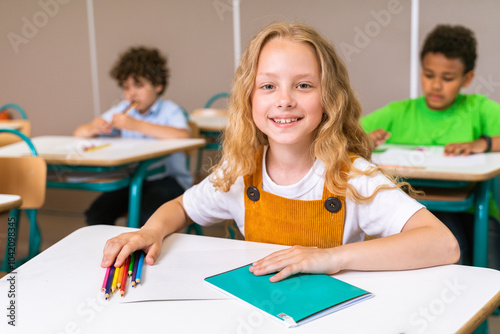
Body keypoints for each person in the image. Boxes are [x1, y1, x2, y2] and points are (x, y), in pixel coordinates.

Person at [102, 22, 459, 282]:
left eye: (303, 85)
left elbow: (443, 244)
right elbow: (181, 206)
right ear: (249, 99)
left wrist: (330, 258)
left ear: (329, 99)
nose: (284, 99)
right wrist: (151, 230)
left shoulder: (352, 176)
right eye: (268, 85)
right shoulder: (240, 171)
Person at [361, 24, 500, 270]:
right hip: (419, 205)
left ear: (466, 78)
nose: (436, 85)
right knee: (453, 259)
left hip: (474, 206)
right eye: (428, 74)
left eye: (447, 78)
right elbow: (343, 135)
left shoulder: (478, 108)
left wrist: (484, 143)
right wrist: (363, 139)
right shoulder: (399, 112)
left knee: (490, 271)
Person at [74, 46, 192, 226]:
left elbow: (184, 137)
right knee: (96, 214)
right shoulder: (122, 109)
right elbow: (79, 134)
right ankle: (111, 253)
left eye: (139, 85)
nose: (132, 93)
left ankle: (141, 252)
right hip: (134, 179)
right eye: (126, 87)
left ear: (158, 85)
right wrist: (94, 126)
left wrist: (136, 125)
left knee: (146, 217)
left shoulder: (170, 110)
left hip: (169, 181)